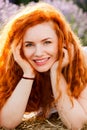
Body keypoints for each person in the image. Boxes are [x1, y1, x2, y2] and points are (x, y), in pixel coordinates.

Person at [0, 2, 87, 130]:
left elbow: (77, 124)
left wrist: (56, 73)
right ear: (17, 48)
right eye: (29, 44)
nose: (39, 53)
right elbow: (7, 123)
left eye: (47, 42)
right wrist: (28, 74)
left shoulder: (81, 61)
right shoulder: (12, 66)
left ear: (62, 41)